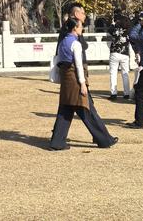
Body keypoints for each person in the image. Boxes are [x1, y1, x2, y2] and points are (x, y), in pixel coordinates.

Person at [49, 17, 117, 150]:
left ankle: (57, 142)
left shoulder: (63, 41)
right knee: (86, 110)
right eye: (80, 26)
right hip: (75, 80)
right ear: (75, 28)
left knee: (65, 110)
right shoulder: (76, 44)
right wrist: (82, 83)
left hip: (66, 80)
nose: (82, 29)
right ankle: (104, 140)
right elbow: (78, 66)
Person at [107, 16, 131, 100]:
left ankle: (113, 93)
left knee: (113, 73)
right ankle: (126, 93)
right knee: (125, 73)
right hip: (125, 53)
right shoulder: (129, 31)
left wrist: (113, 23)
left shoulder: (115, 30)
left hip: (114, 53)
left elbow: (109, 29)